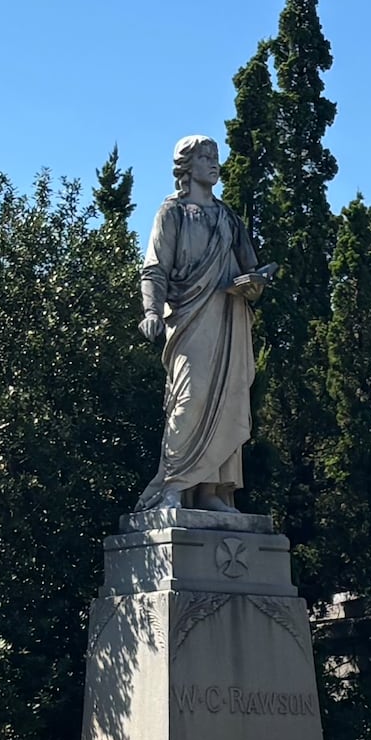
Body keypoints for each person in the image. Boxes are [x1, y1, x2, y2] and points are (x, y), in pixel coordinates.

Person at [138, 134, 266, 513]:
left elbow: (250, 268)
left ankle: (212, 490)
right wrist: (150, 312)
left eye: (216, 156)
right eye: (205, 156)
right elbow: (154, 269)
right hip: (189, 318)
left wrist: (254, 285)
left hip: (228, 318)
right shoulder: (173, 213)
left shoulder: (227, 216)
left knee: (226, 400)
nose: (214, 163)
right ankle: (173, 486)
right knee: (189, 401)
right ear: (186, 166)